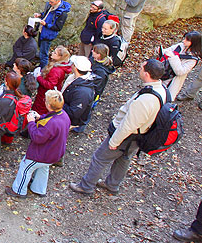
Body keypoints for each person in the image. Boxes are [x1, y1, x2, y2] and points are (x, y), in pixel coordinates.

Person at [69, 59, 167, 195]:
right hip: (139, 135)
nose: (139, 69)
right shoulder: (162, 90)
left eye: (141, 67)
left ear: (147, 73)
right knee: (124, 158)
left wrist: (114, 141)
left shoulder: (146, 100)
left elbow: (129, 124)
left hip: (127, 136)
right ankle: (112, 184)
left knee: (99, 158)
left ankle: (86, 186)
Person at [5, 90, 70, 199]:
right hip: (55, 153)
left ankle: (19, 190)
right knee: (44, 168)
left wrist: (31, 122)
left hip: (42, 154)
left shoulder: (52, 123)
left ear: (48, 105)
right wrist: (40, 117)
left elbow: (37, 137)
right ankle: (39, 188)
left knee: (25, 168)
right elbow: (51, 119)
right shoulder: (63, 115)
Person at [34, 0, 71, 68]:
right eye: (49, 1)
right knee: (41, 48)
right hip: (42, 31)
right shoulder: (50, 6)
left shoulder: (62, 13)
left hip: (48, 34)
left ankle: (43, 70)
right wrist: (40, 15)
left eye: (52, 2)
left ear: (58, 1)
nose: (50, 3)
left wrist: (46, 24)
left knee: (44, 53)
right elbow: (46, 13)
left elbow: (58, 27)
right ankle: (40, 65)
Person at [159, 31, 201, 98]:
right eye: (184, 38)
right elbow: (168, 50)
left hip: (172, 81)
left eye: (187, 40)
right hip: (162, 73)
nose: (184, 41)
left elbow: (180, 71)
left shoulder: (193, 60)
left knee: (164, 97)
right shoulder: (180, 46)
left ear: (194, 43)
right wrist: (161, 51)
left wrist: (173, 57)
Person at [32, 46, 72, 115]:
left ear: (60, 57)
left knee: (39, 110)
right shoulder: (58, 65)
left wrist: (38, 77)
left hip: (45, 94)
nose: (52, 53)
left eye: (55, 53)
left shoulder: (56, 71)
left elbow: (49, 85)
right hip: (45, 93)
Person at [61, 56, 95, 133]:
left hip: (72, 121)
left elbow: (74, 113)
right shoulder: (74, 78)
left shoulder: (83, 93)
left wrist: (58, 102)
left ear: (75, 68)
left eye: (73, 64)